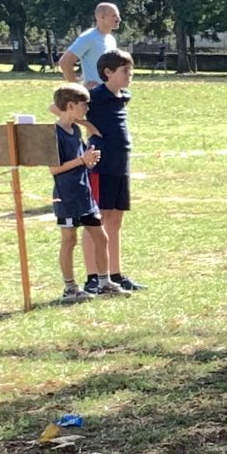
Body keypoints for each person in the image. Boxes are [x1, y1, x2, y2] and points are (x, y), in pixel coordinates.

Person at [48, 83, 121, 302]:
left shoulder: (76, 130)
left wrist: (89, 161)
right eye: (84, 105)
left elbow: (80, 159)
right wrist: (82, 160)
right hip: (67, 197)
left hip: (84, 195)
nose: (87, 109)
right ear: (70, 105)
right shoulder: (55, 134)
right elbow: (54, 169)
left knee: (101, 237)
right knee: (69, 240)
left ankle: (104, 283)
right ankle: (70, 288)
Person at [83, 50, 143, 293]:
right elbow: (58, 107)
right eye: (125, 71)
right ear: (108, 72)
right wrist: (88, 126)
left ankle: (115, 274)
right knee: (97, 220)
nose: (130, 75)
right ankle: (93, 277)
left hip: (120, 164)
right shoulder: (95, 95)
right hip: (102, 165)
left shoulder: (124, 96)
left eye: (131, 70)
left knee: (116, 219)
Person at [66, 2, 122, 84]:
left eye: (118, 16)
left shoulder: (111, 39)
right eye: (114, 16)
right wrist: (77, 87)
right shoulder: (88, 37)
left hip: (108, 90)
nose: (119, 19)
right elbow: (65, 62)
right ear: (102, 17)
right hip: (94, 91)